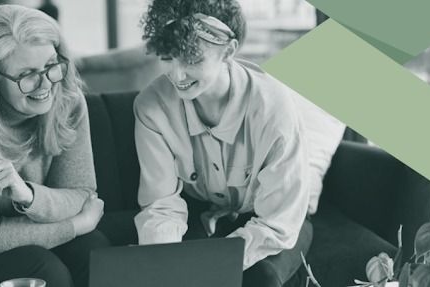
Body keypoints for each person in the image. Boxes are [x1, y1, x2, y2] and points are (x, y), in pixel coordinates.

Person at [133, 0, 312, 286]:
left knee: (259, 277)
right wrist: (161, 266)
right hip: (201, 213)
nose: (177, 76)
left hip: (274, 220)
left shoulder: (273, 108)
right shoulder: (151, 107)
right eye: (169, 57)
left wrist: (213, 263)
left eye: (192, 60)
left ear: (228, 52)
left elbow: (279, 222)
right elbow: (162, 205)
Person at [0, 5, 108, 287]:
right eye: (27, 75)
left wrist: (28, 196)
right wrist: (76, 225)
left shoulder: (68, 100)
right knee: (42, 270)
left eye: (51, 65)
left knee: (94, 252)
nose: (45, 84)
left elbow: (81, 194)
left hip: (30, 219)